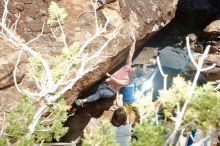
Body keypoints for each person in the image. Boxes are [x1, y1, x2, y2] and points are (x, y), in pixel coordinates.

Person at [74, 33, 136, 108]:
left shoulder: (128, 81)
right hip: (106, 82)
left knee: (100, 93)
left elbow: (119, 82)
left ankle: (82, 101)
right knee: (93, 91)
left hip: (110, 90)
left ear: (133, 75)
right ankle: (80, 103)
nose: (133, 68)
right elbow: (131, 54)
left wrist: (110, 76)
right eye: (134, 68)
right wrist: (134, 42)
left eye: (134, 70)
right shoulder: (127, 67)